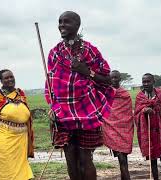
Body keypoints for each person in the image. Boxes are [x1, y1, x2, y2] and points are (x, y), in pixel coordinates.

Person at [45, 11, 114, 180]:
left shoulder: (90, 50)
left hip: (87, 112)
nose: (61, 25)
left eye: (66, 22)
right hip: (63, 113)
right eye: (60, 22)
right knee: (70, 159)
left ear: (77, 25)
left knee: (85, 158)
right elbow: (50, 84)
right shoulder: (54, 53)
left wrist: (86, 71)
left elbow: (107, 80)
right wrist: (53, 107)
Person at [134, 73, 161, 180]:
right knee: (153, 161)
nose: (146, 84)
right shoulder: (140, 96)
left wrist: (156, 109)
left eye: (148, 81)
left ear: (153, 82)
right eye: (144, 82)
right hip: (148, 133)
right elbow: (136, 114)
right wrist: (144, 110)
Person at [102, 70, 134, 180]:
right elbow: (102, 110)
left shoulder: (125, 95)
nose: (114, 80)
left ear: (120, 79)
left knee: (123, 160)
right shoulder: (105, 94)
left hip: (124, 131)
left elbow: (128, 115)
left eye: (116, 78)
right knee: (121, 160)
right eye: (111, 78)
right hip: (110, 129)